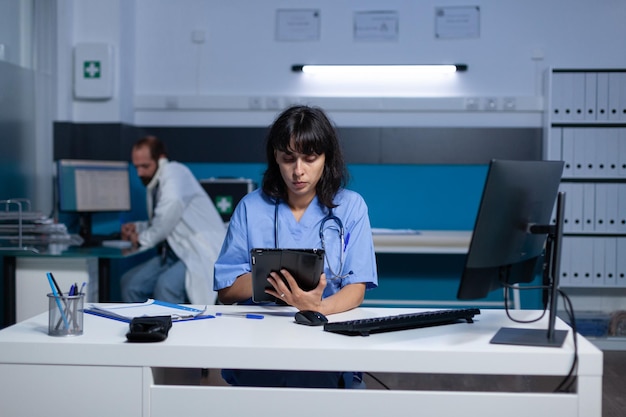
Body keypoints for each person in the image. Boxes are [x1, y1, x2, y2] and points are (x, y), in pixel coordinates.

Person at [214, 105, 378, 388]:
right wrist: (278, 285)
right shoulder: (250, 208)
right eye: (288, 158)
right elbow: (227, 290)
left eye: (310, 158)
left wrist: (315, 308)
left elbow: (357, 287)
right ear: (275, 158)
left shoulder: (351, 207)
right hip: (260, 351)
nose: (298, 171)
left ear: (326, 158)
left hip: (327, 341)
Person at [120, 136, 226, 305]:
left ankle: (168, 331)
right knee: (130, 284)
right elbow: (166, 222)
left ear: (160, 159)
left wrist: (141, 239)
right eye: (137, 167)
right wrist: (138, 228)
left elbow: (171, 207)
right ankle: (141, 330)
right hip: (172, 253)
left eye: (145, 166)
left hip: (197, 251)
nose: (140, 172)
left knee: (166, 286)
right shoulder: (155, 183)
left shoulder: (175, 172)